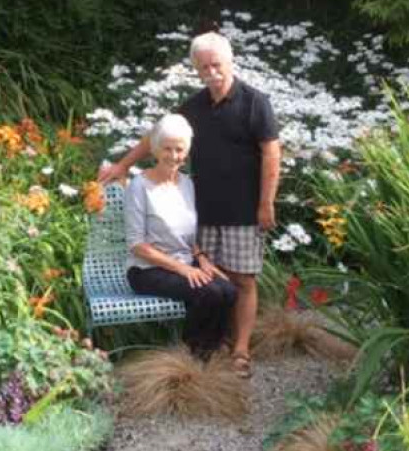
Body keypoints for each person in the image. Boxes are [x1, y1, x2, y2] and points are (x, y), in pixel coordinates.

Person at [101, 32, 281, 378]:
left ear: (230, 62)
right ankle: (213, 348)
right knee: (216, 282)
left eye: (217, 65)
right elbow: (157, 135)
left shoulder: (255, 103)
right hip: (203, 211)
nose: (211, 72)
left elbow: (271, 153)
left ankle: (240, 350)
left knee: (242, 281)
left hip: (244, 210)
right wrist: (123, 166)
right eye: (203, 67)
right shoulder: (195, 107)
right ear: (196, 69)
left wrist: (266, 203)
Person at [125, 114, 238, 361]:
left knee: (228, 290)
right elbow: (137, 245)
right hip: (147, 269)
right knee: (209, 293)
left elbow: (186, 235)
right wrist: (184, 269)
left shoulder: (186, 184)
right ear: (155, 149)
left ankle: (211, 352)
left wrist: (201, 259)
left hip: (185, 260)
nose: (174, 156)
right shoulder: (139, 186)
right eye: (167, 148)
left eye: (179, 149)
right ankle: (192, 356)